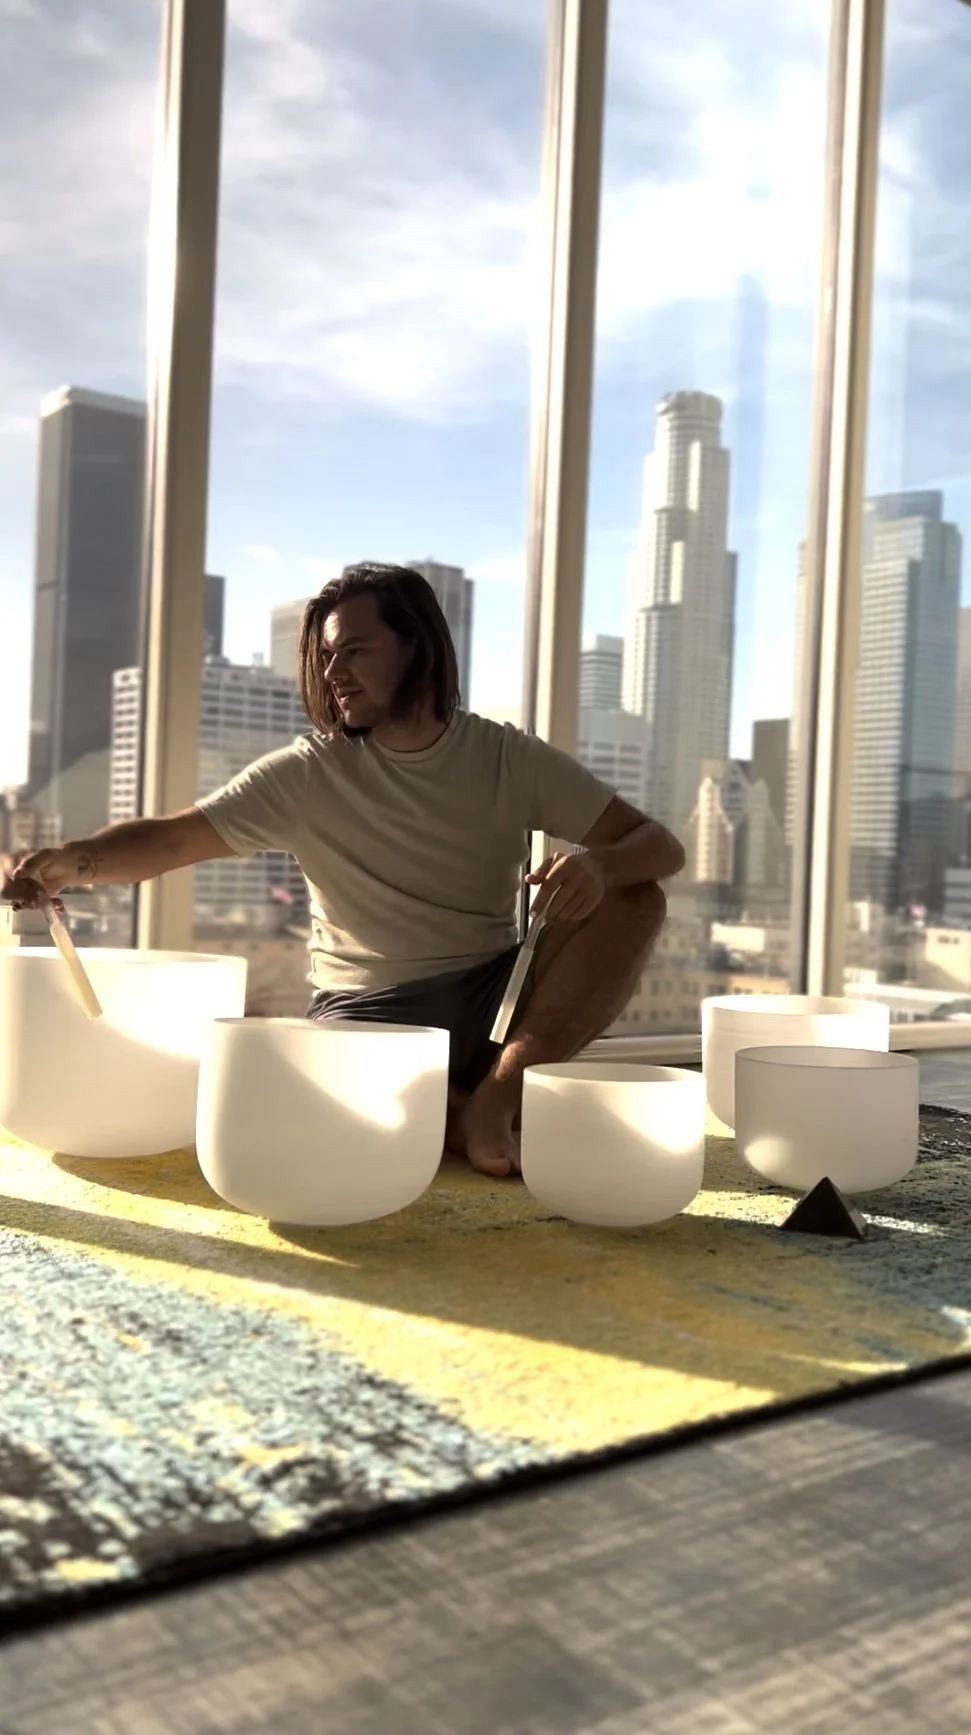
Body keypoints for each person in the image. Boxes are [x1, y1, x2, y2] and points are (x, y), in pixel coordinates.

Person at [1, 563, 684, 1178]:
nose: (333, 673)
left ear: (416, 646)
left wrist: (601, 866)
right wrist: (70, 862)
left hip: (493, 1000)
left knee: (636, 899)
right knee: (284, 1082)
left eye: (354, 650)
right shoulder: (307, 774)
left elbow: (659, 846)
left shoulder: (508, 757)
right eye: (327, 656)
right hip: (365, 1013)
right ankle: (452, 1107)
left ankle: (493, 1100)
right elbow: (173, 839)